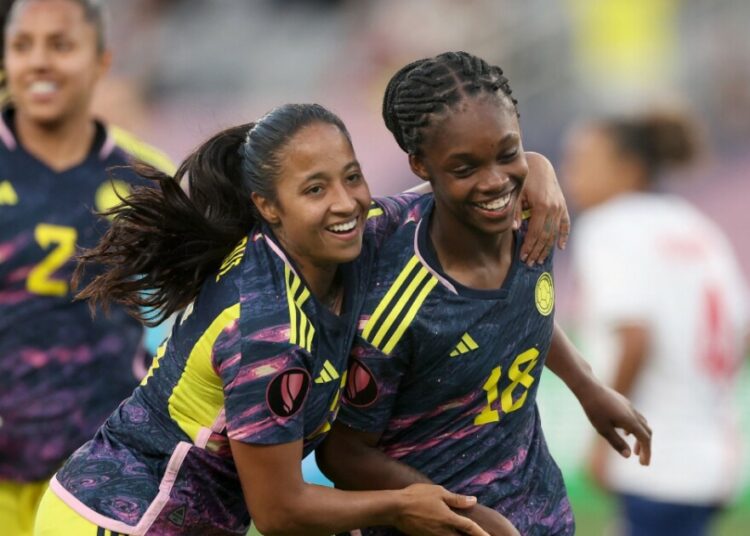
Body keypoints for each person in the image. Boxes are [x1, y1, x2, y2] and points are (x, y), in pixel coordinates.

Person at [33, 102, 516, 536]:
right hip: (119, 522)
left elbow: (443, 199)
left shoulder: (342, 237)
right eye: (314, 189)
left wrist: (531, 169)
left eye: (352, 177)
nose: (346, 202)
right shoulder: (268, 333)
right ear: (267, 206)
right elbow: (281, 512)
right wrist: (399, 507)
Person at [315, 51, 652, 536]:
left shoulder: (533, 219)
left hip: (541, 514)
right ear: (419, 165)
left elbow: (516, 315)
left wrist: (589, 388)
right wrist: (468, 515)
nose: (496, 181)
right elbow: (342, 454)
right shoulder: (399, 301)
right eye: (464, 167)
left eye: (508, 152)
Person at [0, 1, 173, 534]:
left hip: (102, 468)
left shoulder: (149, 183)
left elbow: (196, 315)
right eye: (23, 46)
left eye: (62, 45)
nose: (40, 62)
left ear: (101, 60)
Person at [562, 112, 749, 536]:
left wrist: (604, 440)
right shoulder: (697, 227)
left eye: (583, 160)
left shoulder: (611, 227)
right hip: (713, 457)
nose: (569, 173)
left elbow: (635, 339)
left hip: (655, 461)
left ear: (628, 169)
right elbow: (741, 335)